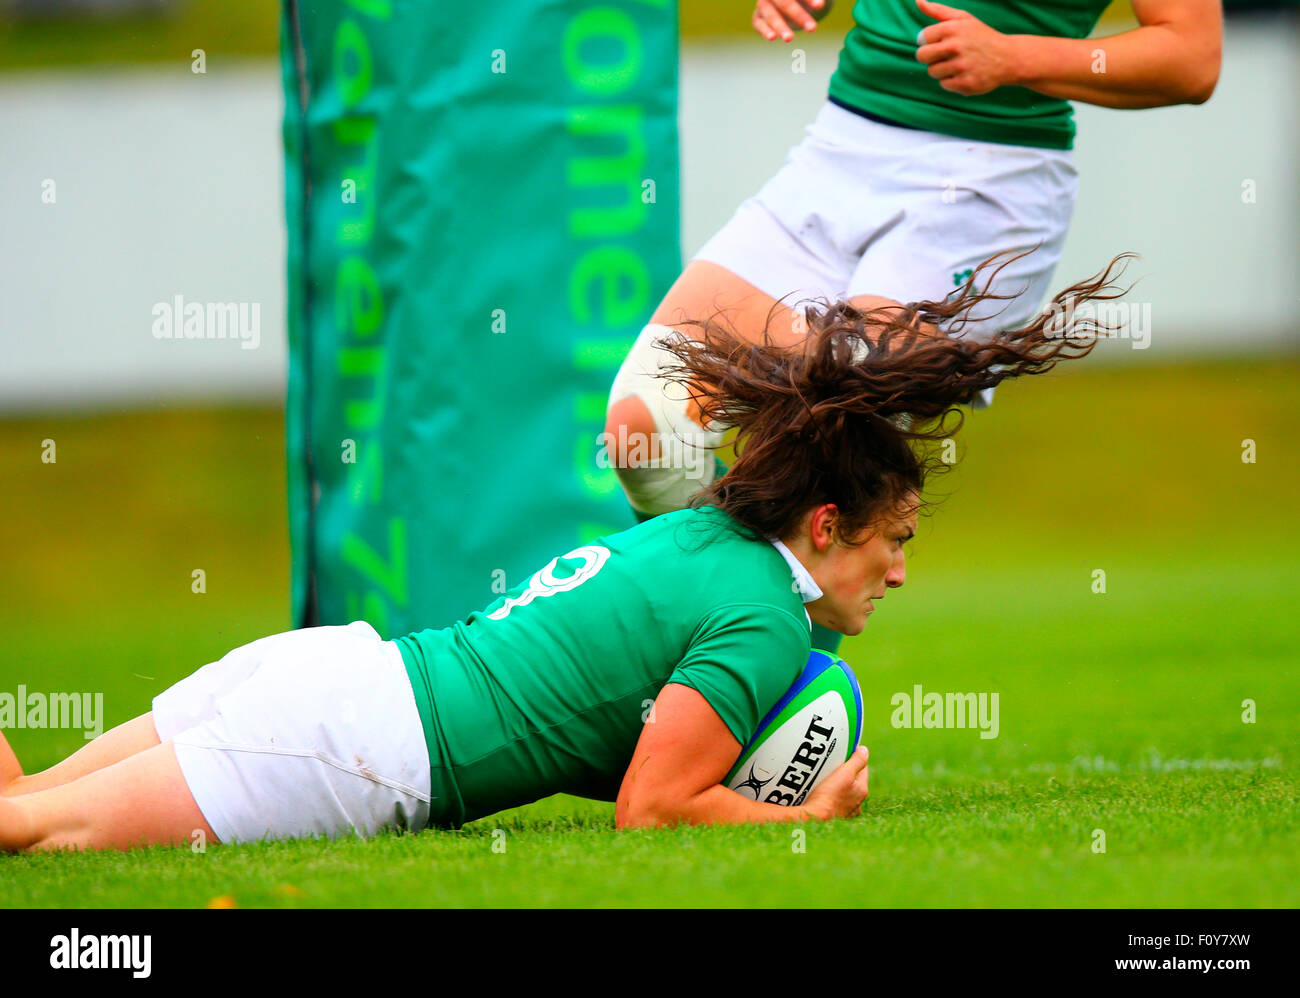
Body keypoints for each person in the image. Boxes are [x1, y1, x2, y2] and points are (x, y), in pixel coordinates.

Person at [0, 254, 1129, 853]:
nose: (899, 571)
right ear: (824, 525)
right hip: (363, 748)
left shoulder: (698, 526)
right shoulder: (765, 613)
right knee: (27, 831)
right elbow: (654, 805)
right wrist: (807, 818)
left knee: (25, 795)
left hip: (329, 675)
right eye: (893, 540)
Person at [605, 0, 1222, 651]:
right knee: (647, 427)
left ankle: (769, 714)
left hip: (988, 178)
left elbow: (1191, 56)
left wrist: (1015, 56)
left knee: (824, 458)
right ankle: (678, 664)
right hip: (842, 147)